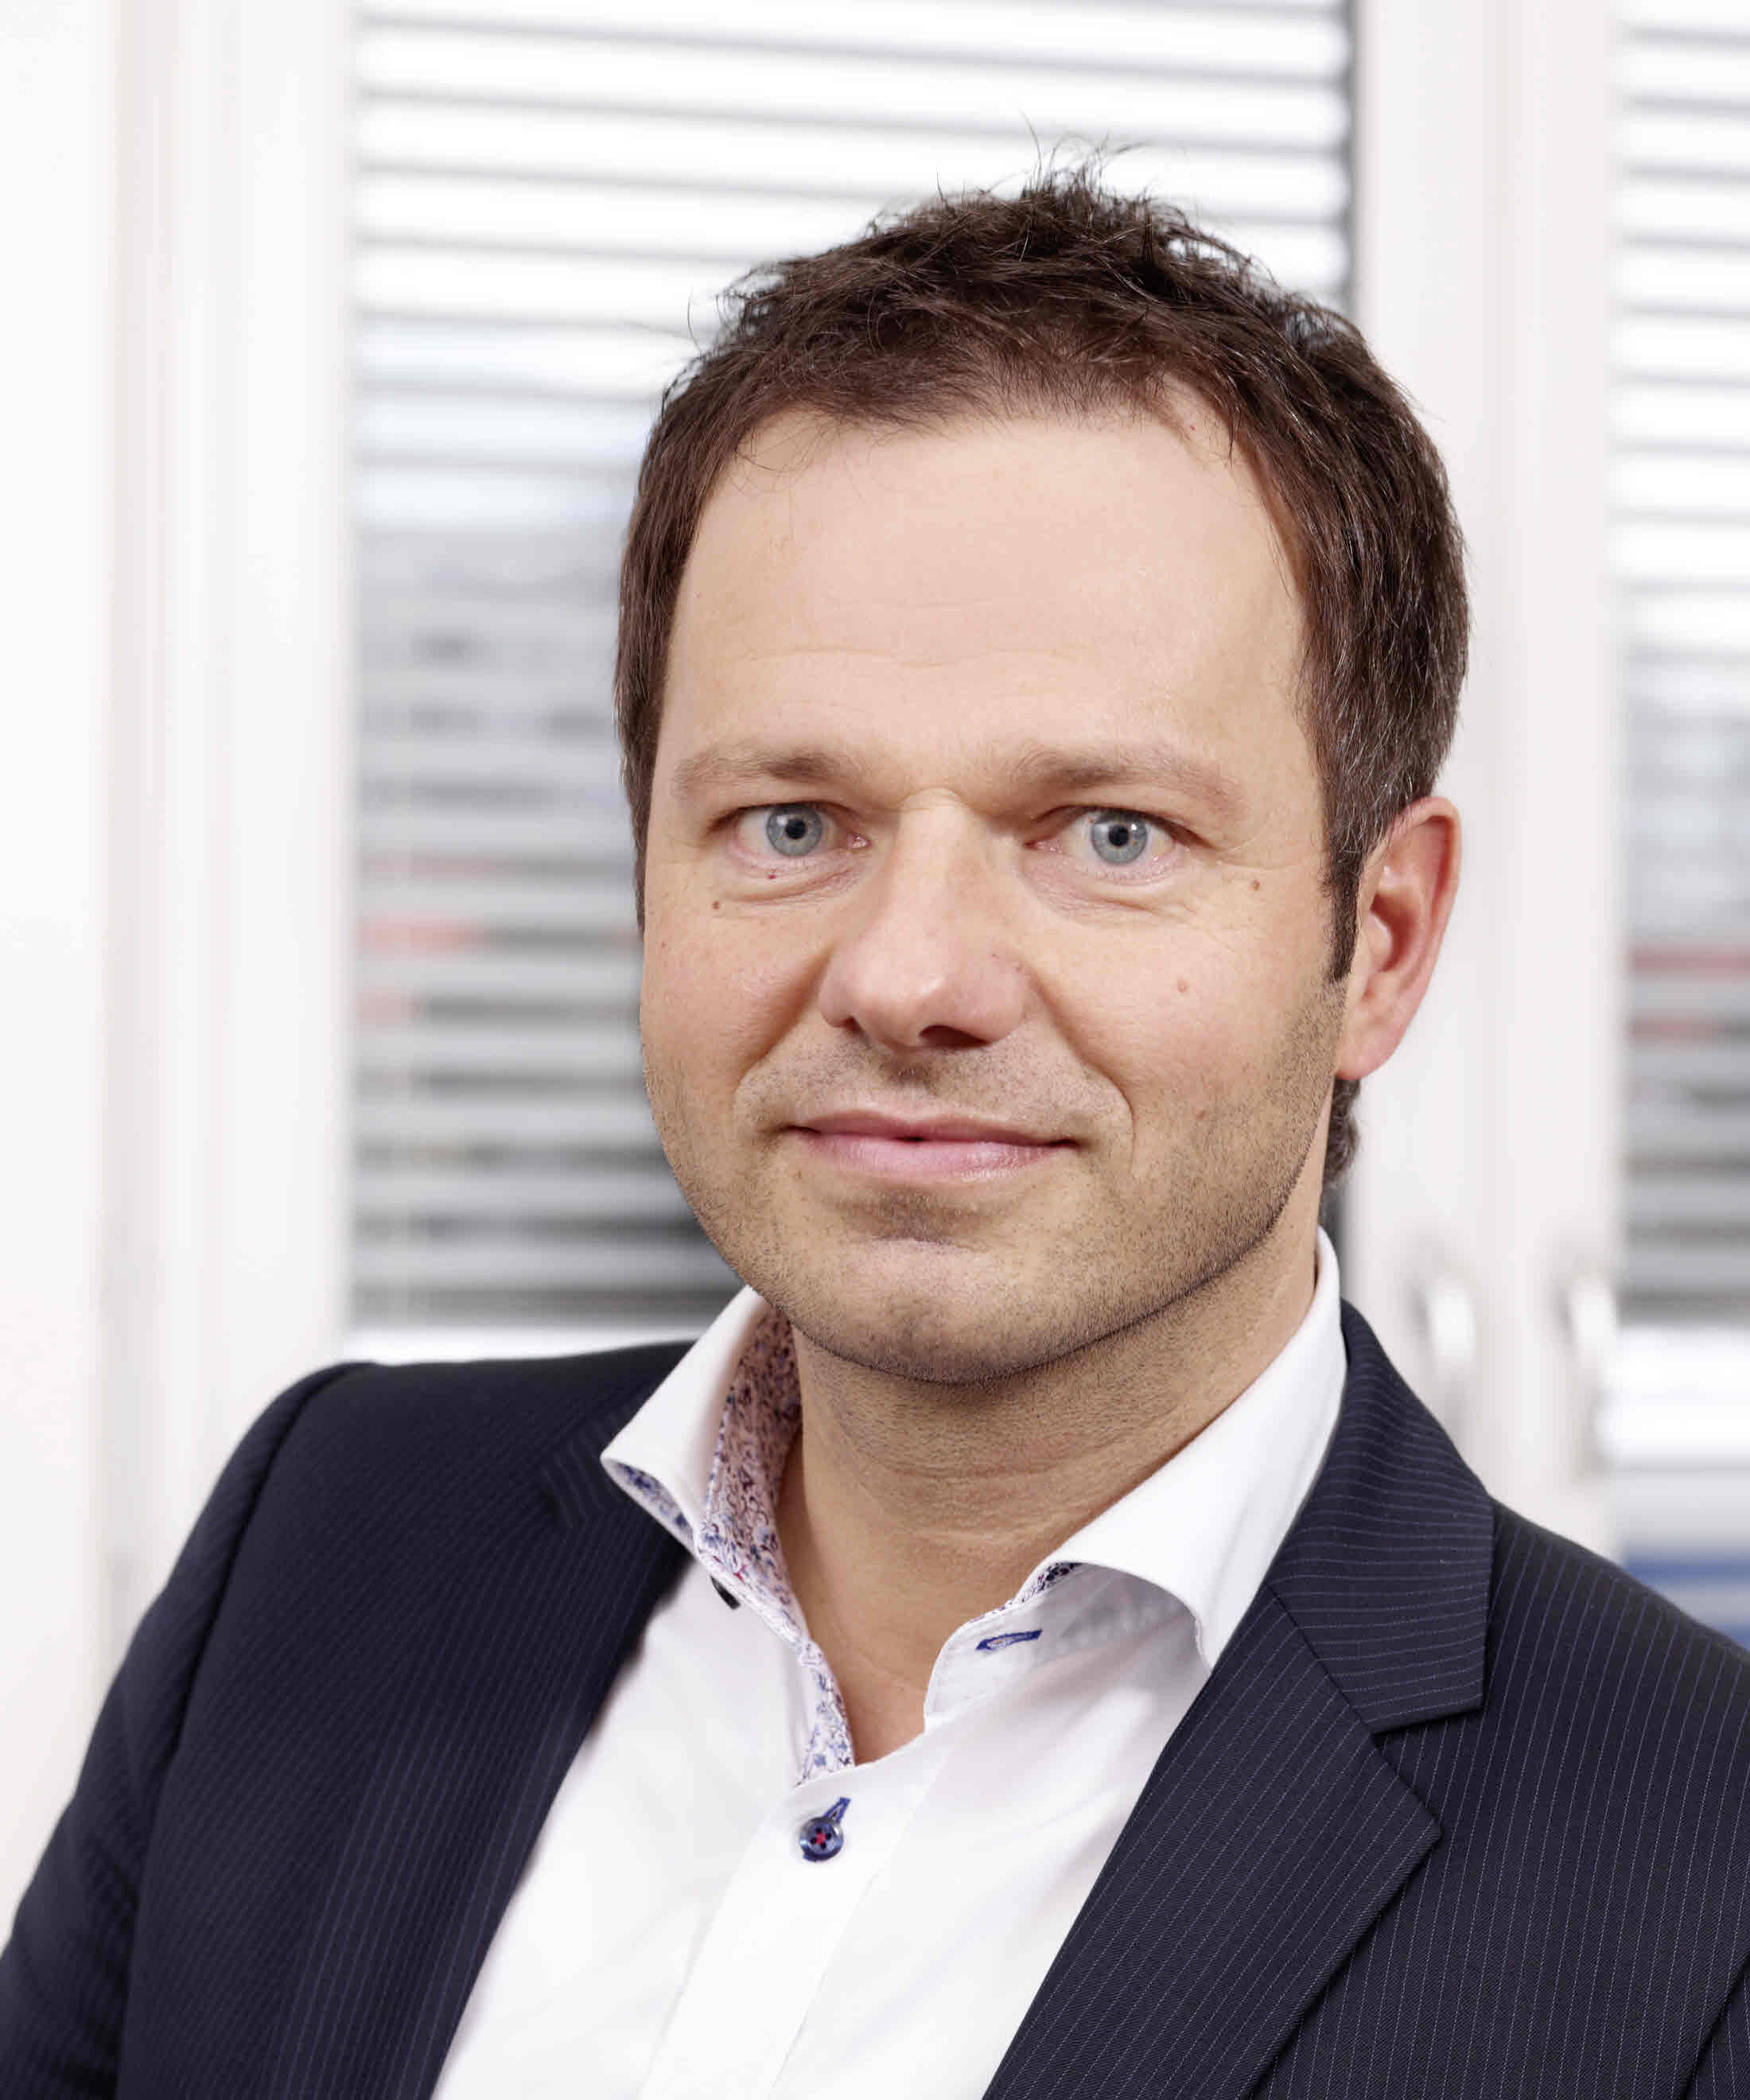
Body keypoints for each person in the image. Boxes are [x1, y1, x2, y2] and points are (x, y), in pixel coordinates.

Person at [5, 168, 1748, 2100]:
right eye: (788, 825)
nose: (908, 977)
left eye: (1109, 835)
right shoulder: (322, 1540)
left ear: (1379, 945)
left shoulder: (1701, 1880)